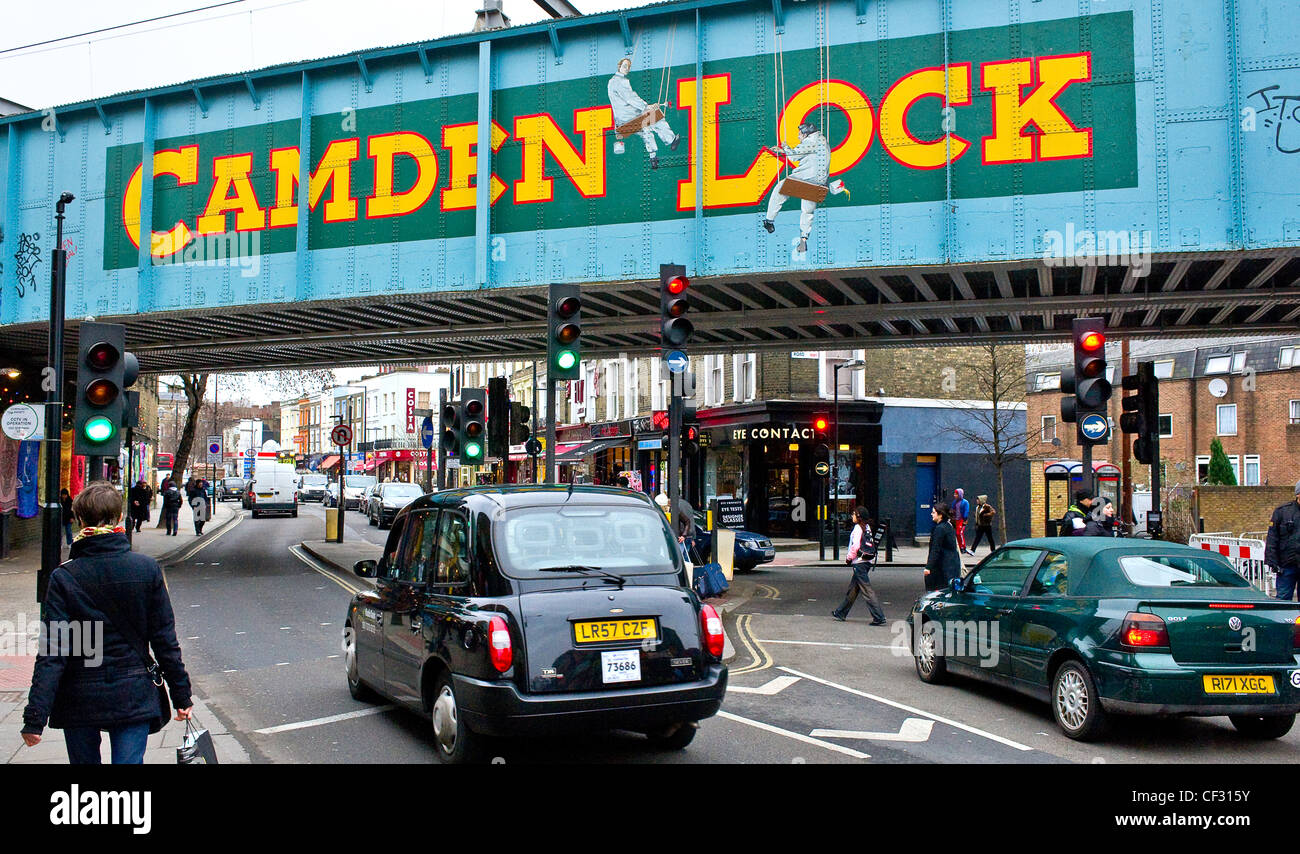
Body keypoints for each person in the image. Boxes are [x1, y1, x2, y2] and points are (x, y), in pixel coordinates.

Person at [20, 481, 193, 764]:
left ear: (78, 519)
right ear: (119, 519)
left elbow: (52, 652)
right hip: (132, 691)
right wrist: (182, 696)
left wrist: (35, 717)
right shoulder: (146, 569)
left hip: (78, 693)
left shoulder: (64, 577)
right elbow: (164, 640)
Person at [761, 121, 836, 254]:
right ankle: (803, 241)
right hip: (819, 184)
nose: (798, 137)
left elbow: (795, 156)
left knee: (779, 190)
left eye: (800, 134)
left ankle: (769, 220)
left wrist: (784, 148)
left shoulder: (812, 141)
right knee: (807, 212)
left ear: (806, 133)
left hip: (806, 179)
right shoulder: (822, 140)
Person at [607, 56, 679, 169]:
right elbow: (631, 98)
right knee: (656, 116)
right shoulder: (620, 81)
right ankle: (671, 140)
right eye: (625, 66)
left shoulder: (611, 82)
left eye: (628, 67)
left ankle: (653, 157)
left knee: (646, 129)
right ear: (619, 66)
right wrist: (647, 106)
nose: (626, 69)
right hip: (629, 119)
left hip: (621, 124)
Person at [832, 507, 886, 625]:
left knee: (867, 591)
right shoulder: (867, 527)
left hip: (859, 563)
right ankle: (840, 612)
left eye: (854, 514)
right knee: (853, 589)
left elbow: (855, 546)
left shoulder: (858, 528)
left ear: (859, 516)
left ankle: (879, 617)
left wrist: (848, 558)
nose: (852, 516)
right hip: (867, 561)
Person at [1266, 481, 1300, 600]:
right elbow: (1272, 538)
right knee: (1283, 600)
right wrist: (1272, 562)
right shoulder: (1282, 512)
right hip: (1286, 565)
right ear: (1298, 494)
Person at [924, 501, 963, 592]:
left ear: (940, 515)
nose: (931, 514)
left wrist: (928, 567)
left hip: (942, 568)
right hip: (952, 566)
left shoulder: (940, 529)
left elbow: (935, 549)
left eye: (933, 512)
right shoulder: (948, 526)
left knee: (937, 593)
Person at [953, 488, 971, 555]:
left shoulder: (965, 502)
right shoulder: (955, 502)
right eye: (954, 494)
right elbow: (953, 510)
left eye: (956, 494)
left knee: (959, 533)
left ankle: (963, 547)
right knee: (957, 533)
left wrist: (964, 519)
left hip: (961, 520)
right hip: (956, 520)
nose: (954, 495)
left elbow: (966, 511)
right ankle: (959, 546)